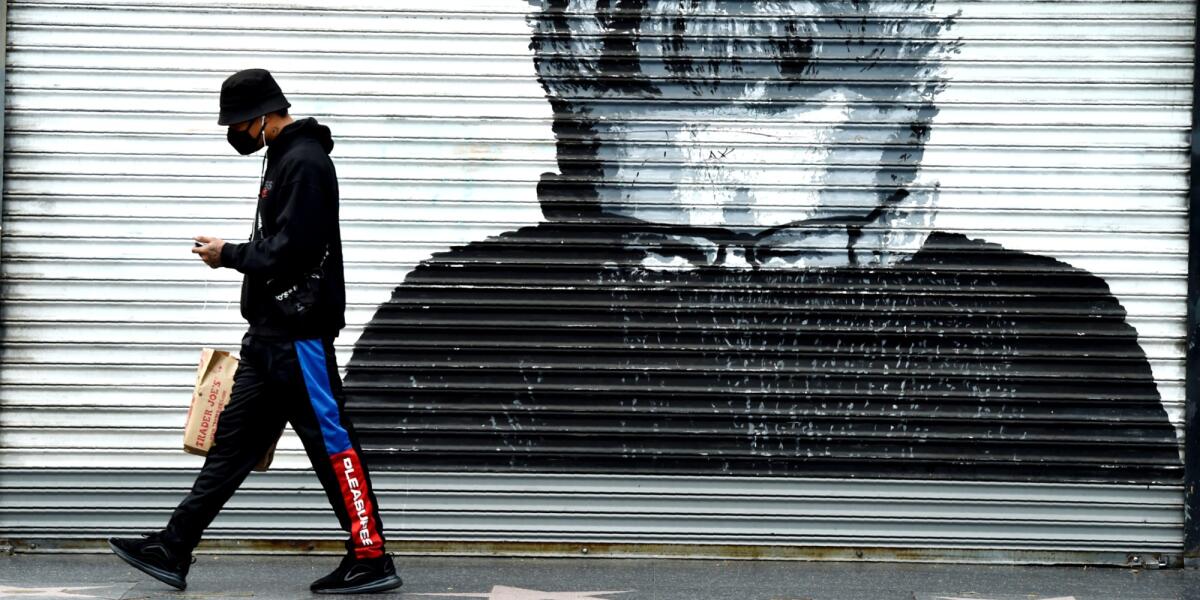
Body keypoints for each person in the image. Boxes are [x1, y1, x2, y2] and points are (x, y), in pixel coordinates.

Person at [342, 1, 1181, 484]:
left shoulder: (1051, 333)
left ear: (911, 209)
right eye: (669, 252)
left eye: (805, 251)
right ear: (567, 209)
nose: (736, 299)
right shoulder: (456, 327)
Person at [107, 68, 402, 595]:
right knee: (231, 448)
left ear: (260, 116)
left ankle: (371, 556)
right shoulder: (282, 158)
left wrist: (228, 256)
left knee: (332, 444)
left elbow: (296, 250)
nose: (235, 133)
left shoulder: (306, 162)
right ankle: (173, 547)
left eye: (238, 123)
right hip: (268, 336)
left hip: (300, 336)